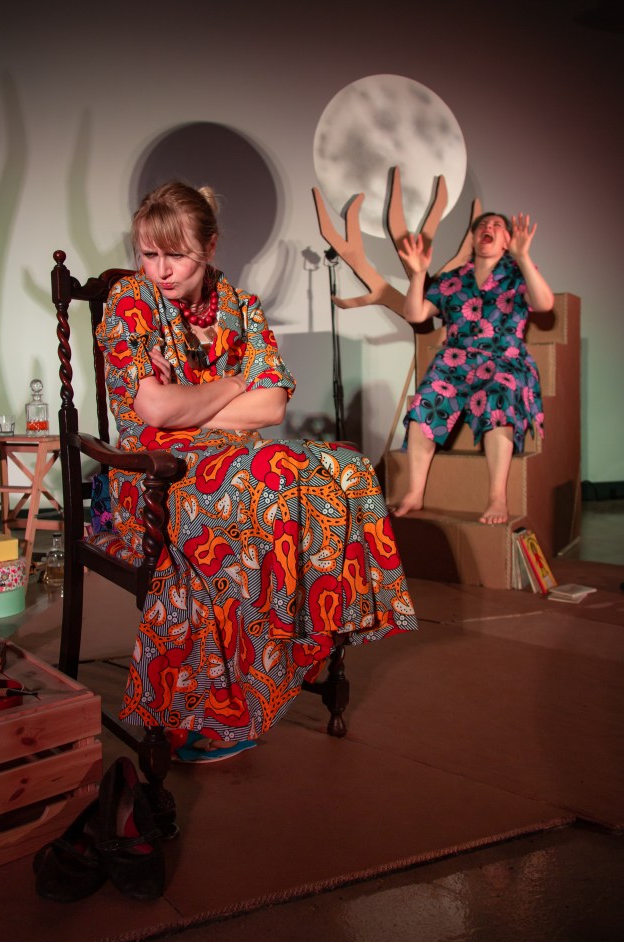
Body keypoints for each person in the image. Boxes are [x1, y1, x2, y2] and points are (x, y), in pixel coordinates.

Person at [91, 180, 417, 762]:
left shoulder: (242, 306)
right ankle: (208, 703)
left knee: (345, 468)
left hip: (234, 456)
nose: (161, 269)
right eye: (149, 253)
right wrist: (238, 382)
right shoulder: (130, 300)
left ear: (210, 247)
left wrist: (192, 397)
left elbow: (270, 408)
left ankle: (295, 645)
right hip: (154, 471)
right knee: (263, 485)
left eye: (176, 255)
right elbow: (156, 413)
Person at [394, 212, 555, 525]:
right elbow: (415, 314)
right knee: (426, 399)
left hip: (504, 360)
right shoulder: (453, 279)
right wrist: (418, 274)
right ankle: (414, 492)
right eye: (482, 225)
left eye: (497, 225)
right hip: (456, 362)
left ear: (507, 240)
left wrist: (523, 257)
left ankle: (497, 496)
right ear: (473, 237)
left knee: (498, 396)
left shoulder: (517, 273)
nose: (488, 228)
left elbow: (544, 303)